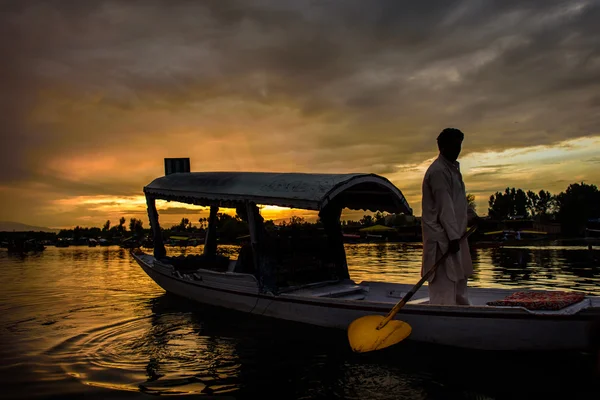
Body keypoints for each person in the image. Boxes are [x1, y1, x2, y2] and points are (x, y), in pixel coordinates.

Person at [421, 128, 479, 305]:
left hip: (456, 237)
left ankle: (463, 317)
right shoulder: (438, 172)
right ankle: (443, 319)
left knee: (459, 281)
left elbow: (459, 201)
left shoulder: (453, 170)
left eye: (459, 145)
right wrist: (453, 237)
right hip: (442, 238)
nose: (458, 150)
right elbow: (445, 207)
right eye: (454, 146)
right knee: (444, 286)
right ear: (443, 147)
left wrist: (473, 216)